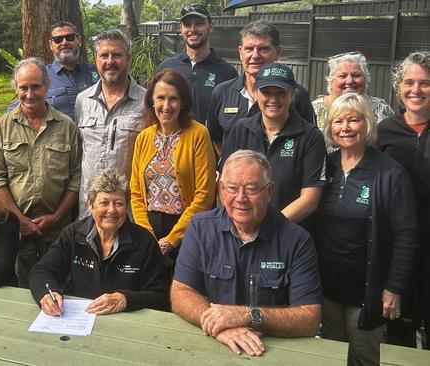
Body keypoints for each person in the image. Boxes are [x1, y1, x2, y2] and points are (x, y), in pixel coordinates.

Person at [172, 150, 322, 357]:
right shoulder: (200, 228)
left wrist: (248, 315)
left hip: (271, 351)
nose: (240, 198)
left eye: (251, 189)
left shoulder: (297, 241)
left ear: (269, 191)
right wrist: (221, 325)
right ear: (222, 189)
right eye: (232, 188)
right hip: (210, 345)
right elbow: (180, 292)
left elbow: (310, 318)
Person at [315, 93, 417, 365]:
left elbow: (406, 236)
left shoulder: (389, 173)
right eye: (338, 121)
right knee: (332, 357)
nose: (345, 127)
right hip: (328, 290)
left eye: (353, 120)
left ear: (368, 124)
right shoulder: (326, 165)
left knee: (363, 358)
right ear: (330, 127)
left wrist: (393, 288)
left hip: (366, 294)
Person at [0, 57, 81, 288]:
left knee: (60, 289)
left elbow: (76, 178)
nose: (29, 94)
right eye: (23, 87)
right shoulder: (1, 128)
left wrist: (56, 216)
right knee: (20, 291)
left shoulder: (67, 127)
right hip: (15, 231)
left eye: (36, 86)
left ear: (46, 86)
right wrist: (21, 221)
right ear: (16, 89)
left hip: (58, 231)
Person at [29, 169, 169, 316]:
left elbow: (160, 296)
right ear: (90, 204)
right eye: (104, 202)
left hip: (127, 322)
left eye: (118, 203)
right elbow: (42, 270)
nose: (111, 210)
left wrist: (126, 299)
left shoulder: (145, 242)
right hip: (79, 318)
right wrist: (46, 293)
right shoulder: (73, 234)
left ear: (127, 206)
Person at [220, 63, 326, 225]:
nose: (273, 99)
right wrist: (241, 221)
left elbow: (310, 200)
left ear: (292, 95)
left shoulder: (310, 137)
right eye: (266, 92)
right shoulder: (240, 129)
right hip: (242, 229)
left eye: (281, 93)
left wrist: (269, 227)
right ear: (255, 93)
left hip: (289, 235)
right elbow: (224, 184)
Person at [130, 70, 215, 265]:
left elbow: (205, 194)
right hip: (149, 231)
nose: (166, 106)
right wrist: (147, 236)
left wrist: (172, 240)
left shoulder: (199, 134)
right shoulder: (144, 137)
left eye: (173, 99)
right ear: (152, 101)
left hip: (187, 231)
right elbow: (136, 193)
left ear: (183, 102)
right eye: (160, 98)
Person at [378, 51, 430, 349]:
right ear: (398, 87)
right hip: (397, 250)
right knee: (399, 333)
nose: (416, 90)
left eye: (425, 83)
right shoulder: (384, 132)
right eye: (409, 82)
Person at [207, 20, 316, 155]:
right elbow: (216, 137)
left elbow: (309, 138)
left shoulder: (297, 95)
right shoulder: (221, 93)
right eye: (249, 49)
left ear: (278, 52)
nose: (255, 55)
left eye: (263, 49)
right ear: (240, 52)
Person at [75, 28, 146, 219]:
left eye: (117, 55)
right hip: (88, 210)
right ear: (95, 59)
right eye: (104, 55)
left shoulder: (146, 102)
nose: (110, 62)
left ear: (128, 58)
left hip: (129, 212)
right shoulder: (82, 100)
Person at [154, 3, 237, 124]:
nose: (193, 29)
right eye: (188, 24)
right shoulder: (165, 69)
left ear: (211, 26)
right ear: (181, 28)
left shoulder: (227, 73)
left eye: (199, 23)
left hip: (210, 142)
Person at [8, 21, 98, 121]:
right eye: (58, 39)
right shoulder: (41, 76)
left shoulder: (98, 73)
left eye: (70, 37)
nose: (64, 43)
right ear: (51, 45)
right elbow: (14, 112)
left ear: (79, 41)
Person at [312, 51, 394, 131]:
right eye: (342, 76)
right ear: (331, 80)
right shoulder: (314, 110)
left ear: (366, 79)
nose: (350, 81)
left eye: (356, 75)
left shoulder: (381, 109)